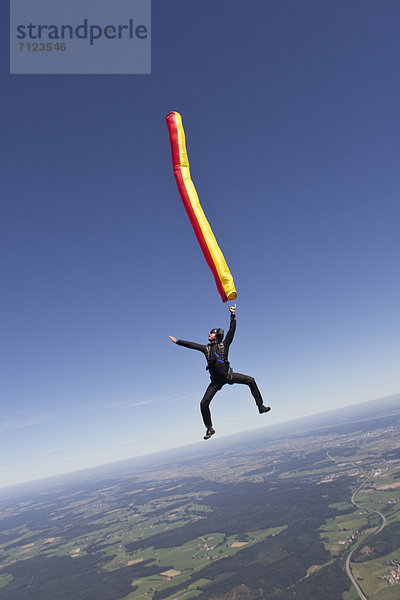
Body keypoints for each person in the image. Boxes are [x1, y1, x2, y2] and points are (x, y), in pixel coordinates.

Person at [169, 306, 270, 440]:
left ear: (216, 335)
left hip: (228, 376)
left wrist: (232, 315)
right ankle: (209, 428)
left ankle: (260, 406)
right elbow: (192, 345)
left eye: (210, 333)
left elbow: (232, 330)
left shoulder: (224, 344)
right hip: (216, 382)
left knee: (250, 380)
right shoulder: (207, 349)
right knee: (203, 403)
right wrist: (178, 341)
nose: (208, 335)